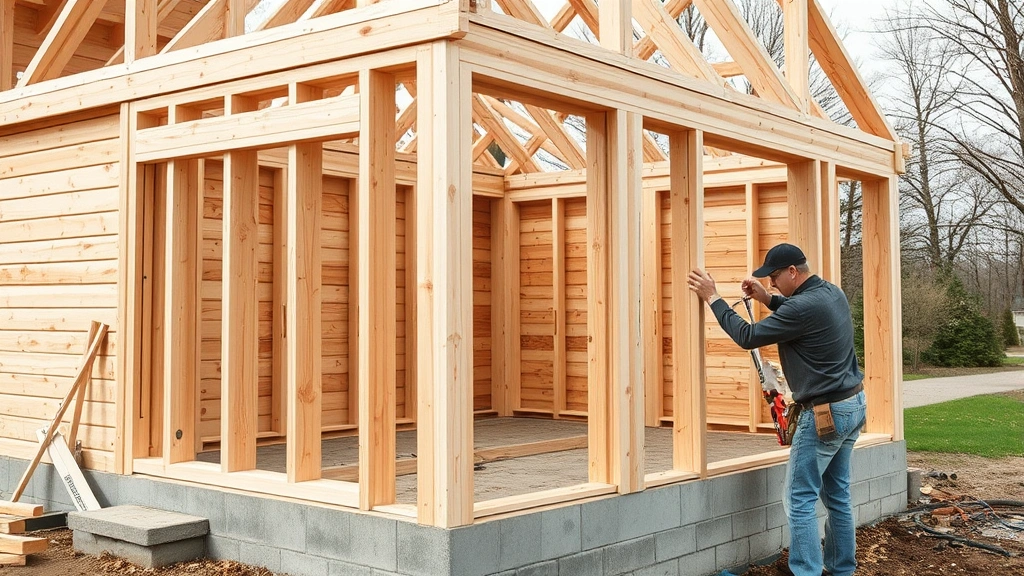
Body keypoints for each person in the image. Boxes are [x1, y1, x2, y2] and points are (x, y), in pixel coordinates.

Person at [687, 243, 866, 576]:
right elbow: (800, 312)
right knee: (837, 494)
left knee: (798, 498)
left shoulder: (801, 308)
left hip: (826, 414)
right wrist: (767, 300)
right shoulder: (831, 293)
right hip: (853, 405)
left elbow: (747, 335)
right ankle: (842, 570)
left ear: (793, 272)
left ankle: (807, 572)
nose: (770, 283)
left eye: (773, 278)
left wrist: (713, 297)